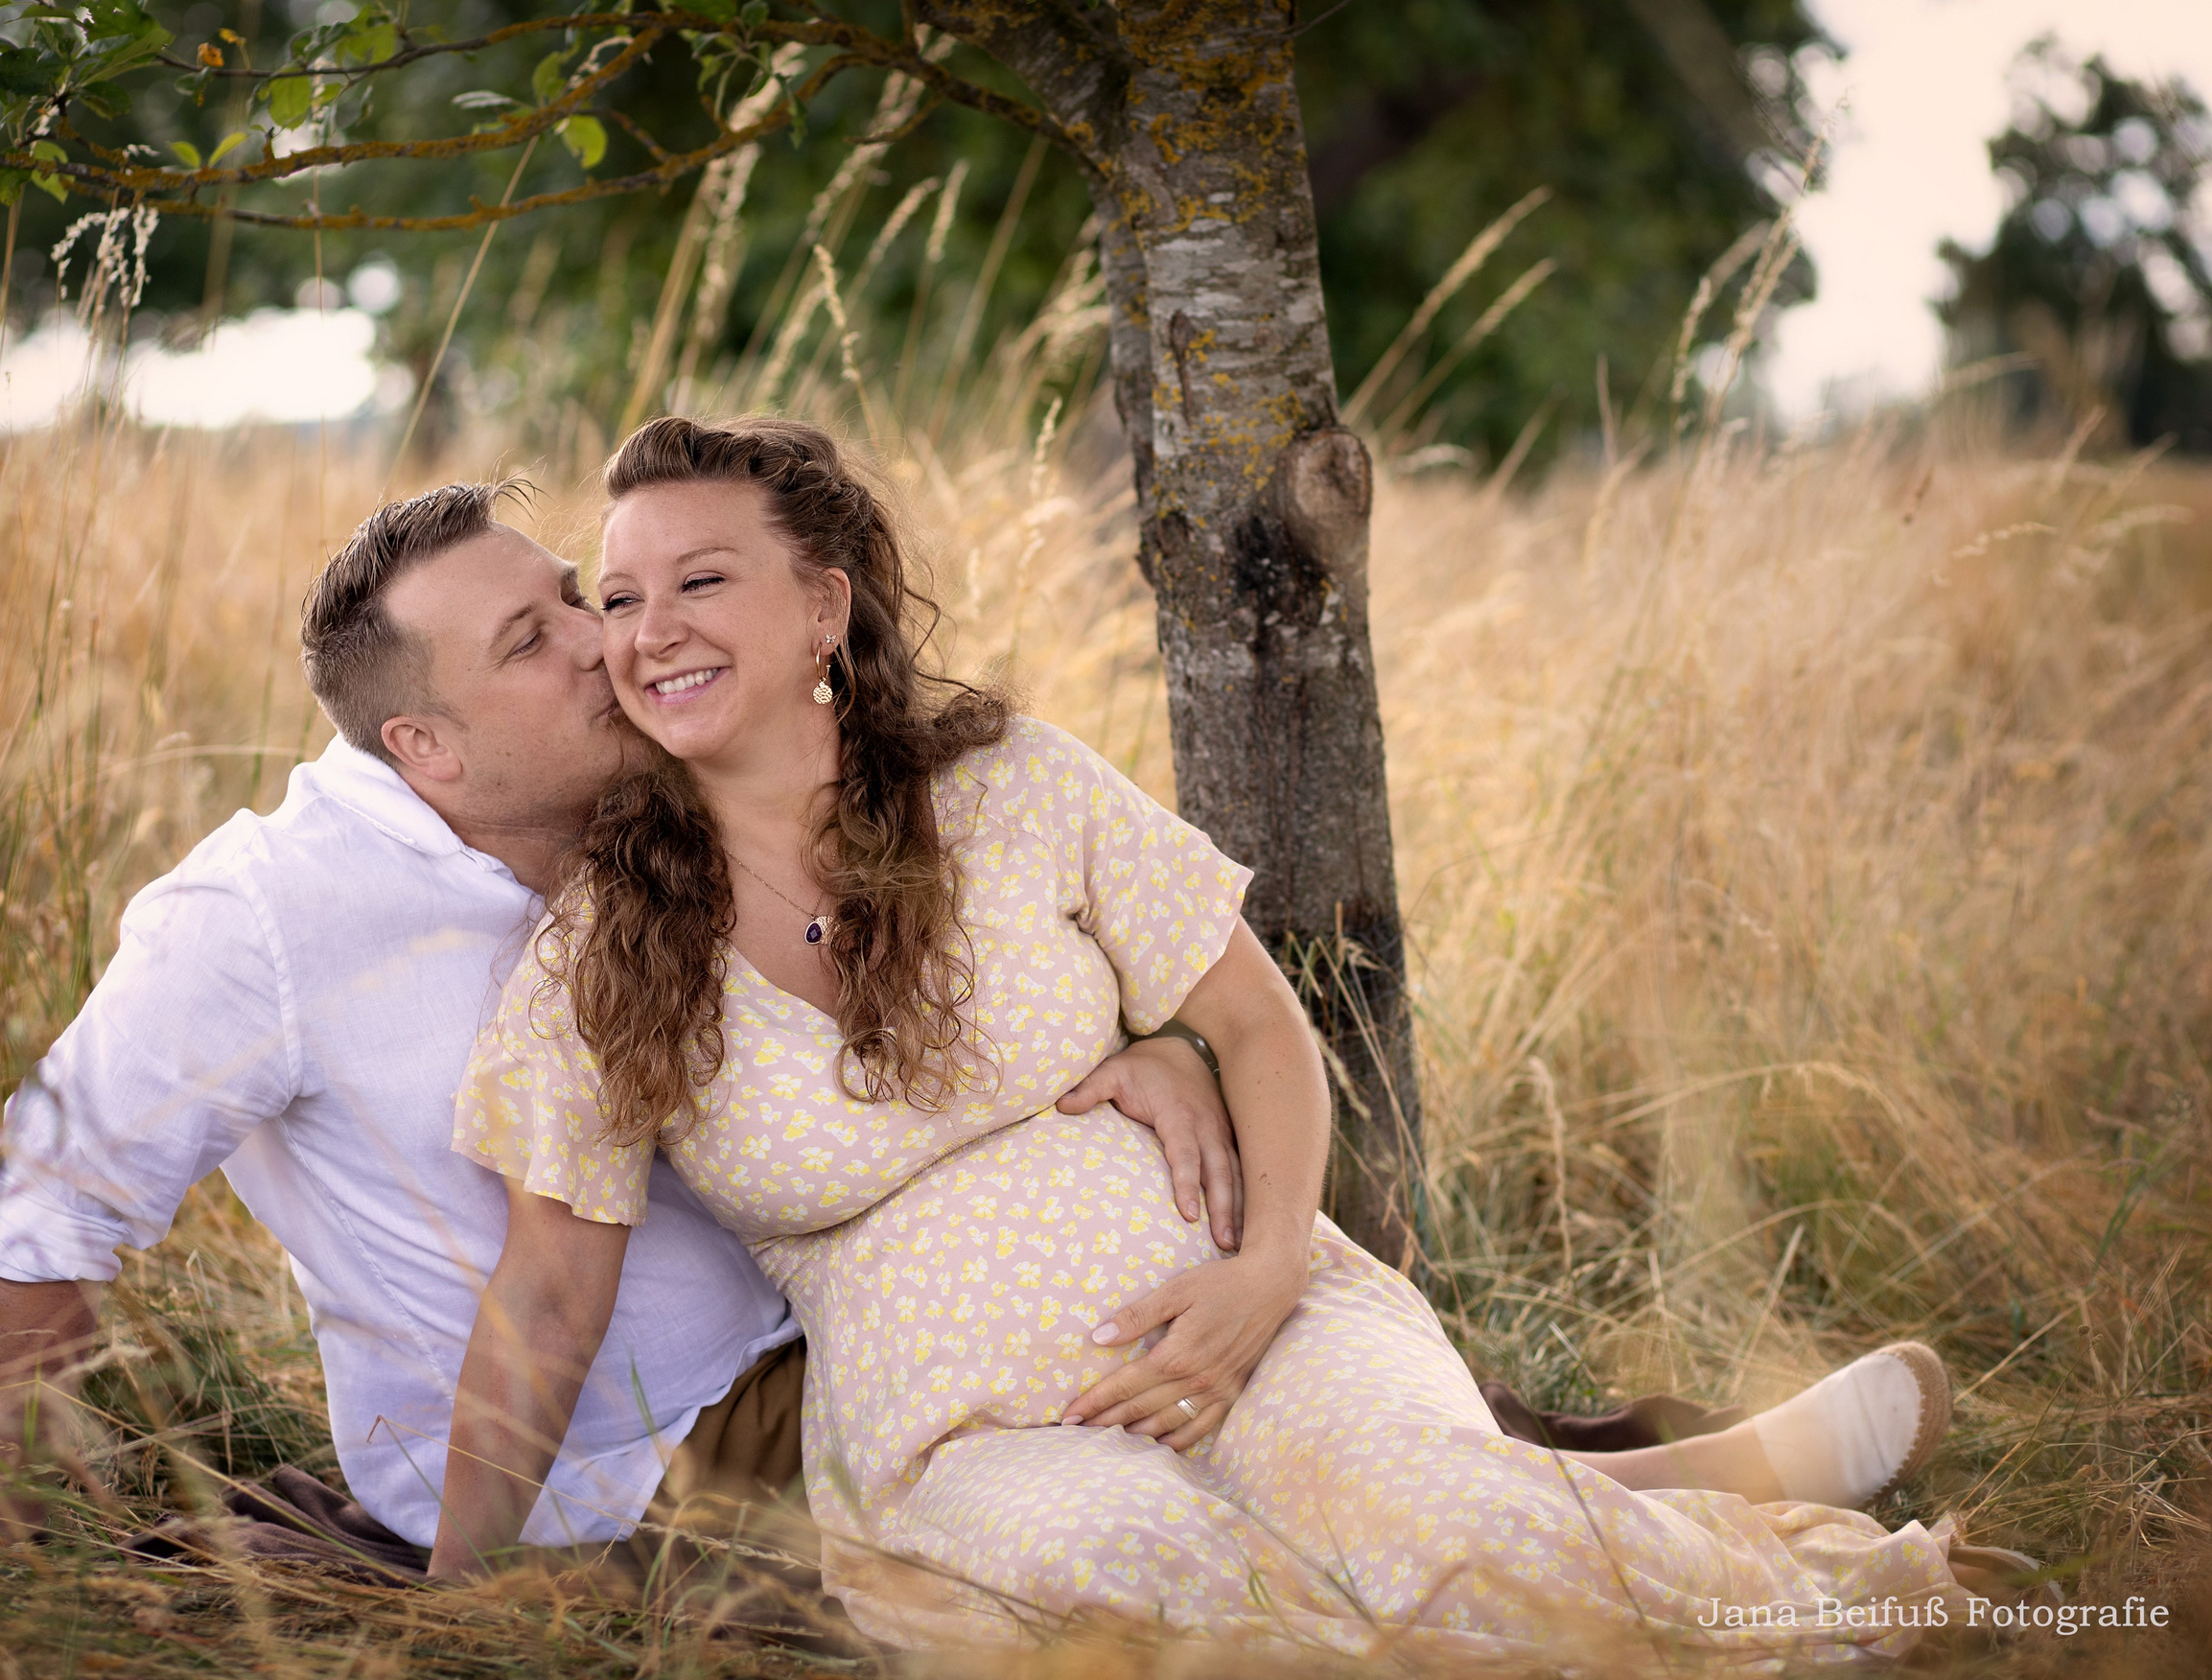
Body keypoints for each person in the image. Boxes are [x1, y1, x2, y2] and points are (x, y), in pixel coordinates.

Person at [0, 479, 1693, 1598]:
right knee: (1176, 1508)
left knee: (1275, 1357)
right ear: (428, 749)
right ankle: (1626, 1510)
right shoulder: (256, 920)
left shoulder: (669, 813)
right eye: (538, 639)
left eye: (581, 597)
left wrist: (1155, 1051)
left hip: (866, 1322)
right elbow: (51, 1203)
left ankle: (1611, 1502)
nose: (609, 647)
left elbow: (962, 959)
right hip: (655, 1456)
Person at [444, 417, 1992, 1659]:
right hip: (960, 1436)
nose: (649, 632)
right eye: (619, 598)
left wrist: (1264, 1275)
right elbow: (548, 1292)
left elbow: (1255, 1026)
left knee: (1449, 1533)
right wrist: (451, 1596)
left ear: (823, 608)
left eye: (701, 582)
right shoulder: (604, 953)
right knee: (1167, 1601)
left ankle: (1784, 1580)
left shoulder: (1014, 790)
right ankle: (1702, 1485)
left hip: (1254, 1313)